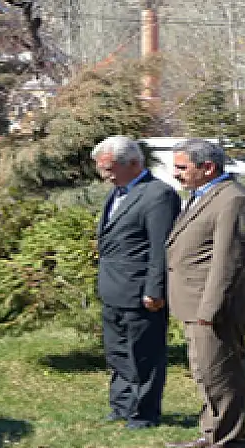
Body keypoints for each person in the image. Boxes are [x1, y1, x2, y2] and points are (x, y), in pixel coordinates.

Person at [165, 138, 245, 448]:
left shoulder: (233, 200)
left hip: (214, 307)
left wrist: (211, 309)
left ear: (208, 168)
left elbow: (228, 260)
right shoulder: (204, 195)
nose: (175, 174)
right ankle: (212, 432)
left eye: (182, 167)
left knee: (221, 373)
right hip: (193, 302)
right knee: (204, 371)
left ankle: (229, 439)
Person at [92, 136, 179, 429]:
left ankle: (144, 412)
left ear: (133, 163)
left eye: (109, 168)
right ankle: (122, 405)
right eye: (101, 168)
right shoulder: (117, 193)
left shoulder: (157, 195)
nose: (104, 174)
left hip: (140, 291)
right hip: (113, 288)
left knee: (144, 354)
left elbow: (160, 248)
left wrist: (155, 290)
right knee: (117, 351)